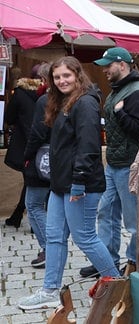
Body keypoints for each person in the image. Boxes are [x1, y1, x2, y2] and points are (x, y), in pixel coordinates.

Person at [18, 56, 120, 310]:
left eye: (66, 75)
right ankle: (50, 290)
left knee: (84, 237)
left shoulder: (85, 103)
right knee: (53, 237)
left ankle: (117, 284)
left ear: (77, 75)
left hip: (80, 185)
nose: (62, 80)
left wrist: (78, 183)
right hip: (60, 184)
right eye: (57, 77)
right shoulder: (61, 101)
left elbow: (89, 146)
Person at [79, 47, 139, 278]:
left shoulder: (136, 92)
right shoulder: (118, 90)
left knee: (134, 222)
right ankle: (106, 262)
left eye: (108, 65)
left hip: (129, 165)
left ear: (123, 64)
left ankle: (135, 263)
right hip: (114, 163)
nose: (105, 69)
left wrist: (120, 114)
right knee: (105, 213)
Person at [3, 64, 44, 229]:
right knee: (32, 181)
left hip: (24, 145)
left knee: (31, 181)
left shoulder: (20, 93)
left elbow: (9, 117)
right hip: (44, 144)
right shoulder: (50, 95)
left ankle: (26, 218)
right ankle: (19, 216)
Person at [22, 62, 51, 268]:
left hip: (43, 159)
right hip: (56, 160)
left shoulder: (44, 100)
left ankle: (48, 248)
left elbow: (38, 132)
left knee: (33, 205)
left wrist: (27, 155)